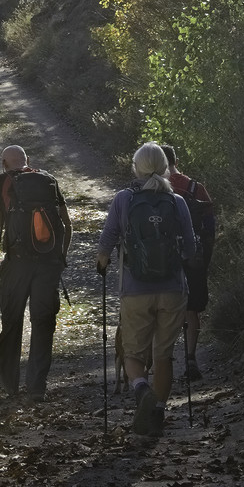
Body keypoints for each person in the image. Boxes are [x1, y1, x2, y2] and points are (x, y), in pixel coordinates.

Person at [96, 142, 197, 437]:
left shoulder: (124, 199)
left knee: (133, 353)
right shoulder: (177, 201)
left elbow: (107, 240)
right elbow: (190, 249)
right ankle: (158, 412)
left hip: (135, 289)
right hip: (172, 290)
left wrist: (102, 264)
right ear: (166, 168)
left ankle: (142, 391)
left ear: (135, 168)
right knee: (163, 355)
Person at [0, 143, 71, 397]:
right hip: (48, 264)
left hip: (17, 263)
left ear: (4, 163)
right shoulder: (49, 180)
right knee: (43, 322)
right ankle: (36, 387)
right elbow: (66, 223)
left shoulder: (2, 180)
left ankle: (9, 383)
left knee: (12, 321)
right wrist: (60, 258)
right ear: (28, 161)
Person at [160, 143, 217, 382]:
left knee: (165, 310)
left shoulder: (154, 190)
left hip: (165, 258)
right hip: (194, 257)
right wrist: (204, 261)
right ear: (175, 160)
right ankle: (191, 357)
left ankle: (164, 359)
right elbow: (211, 228)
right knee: (191, 309)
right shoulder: (196, 188)